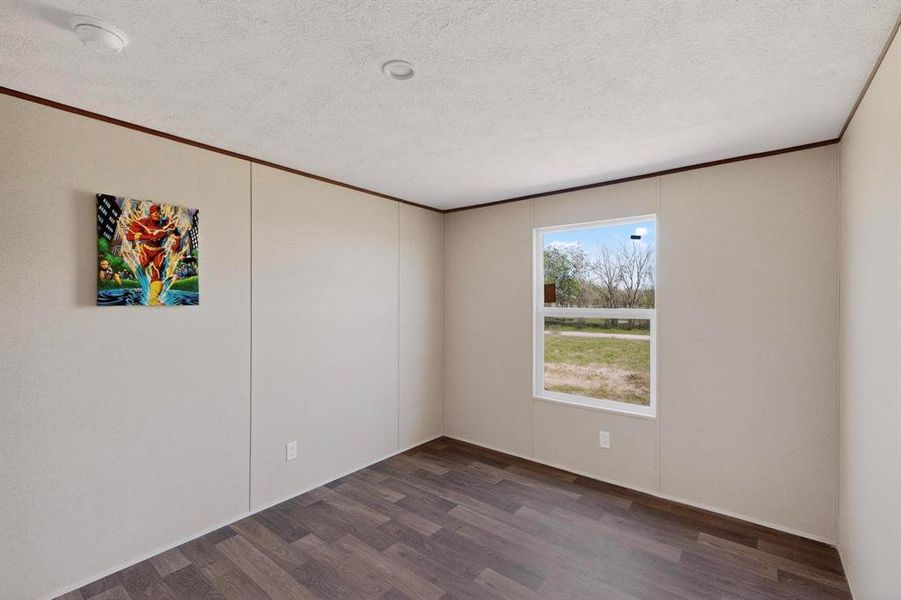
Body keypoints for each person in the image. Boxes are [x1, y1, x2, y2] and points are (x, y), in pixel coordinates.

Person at [125, 204, 181, 305]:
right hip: (146, 250)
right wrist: (147, 237)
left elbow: (177, 234)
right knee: (143, 265)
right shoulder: (143, 222)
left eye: (158, 212)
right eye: (153, 212)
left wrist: (176, 245)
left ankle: (153, 299)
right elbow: (129, 236)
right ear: (150, 213)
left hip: (159, 251)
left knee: (157, 272)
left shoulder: (166, 223)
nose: (156, 214)